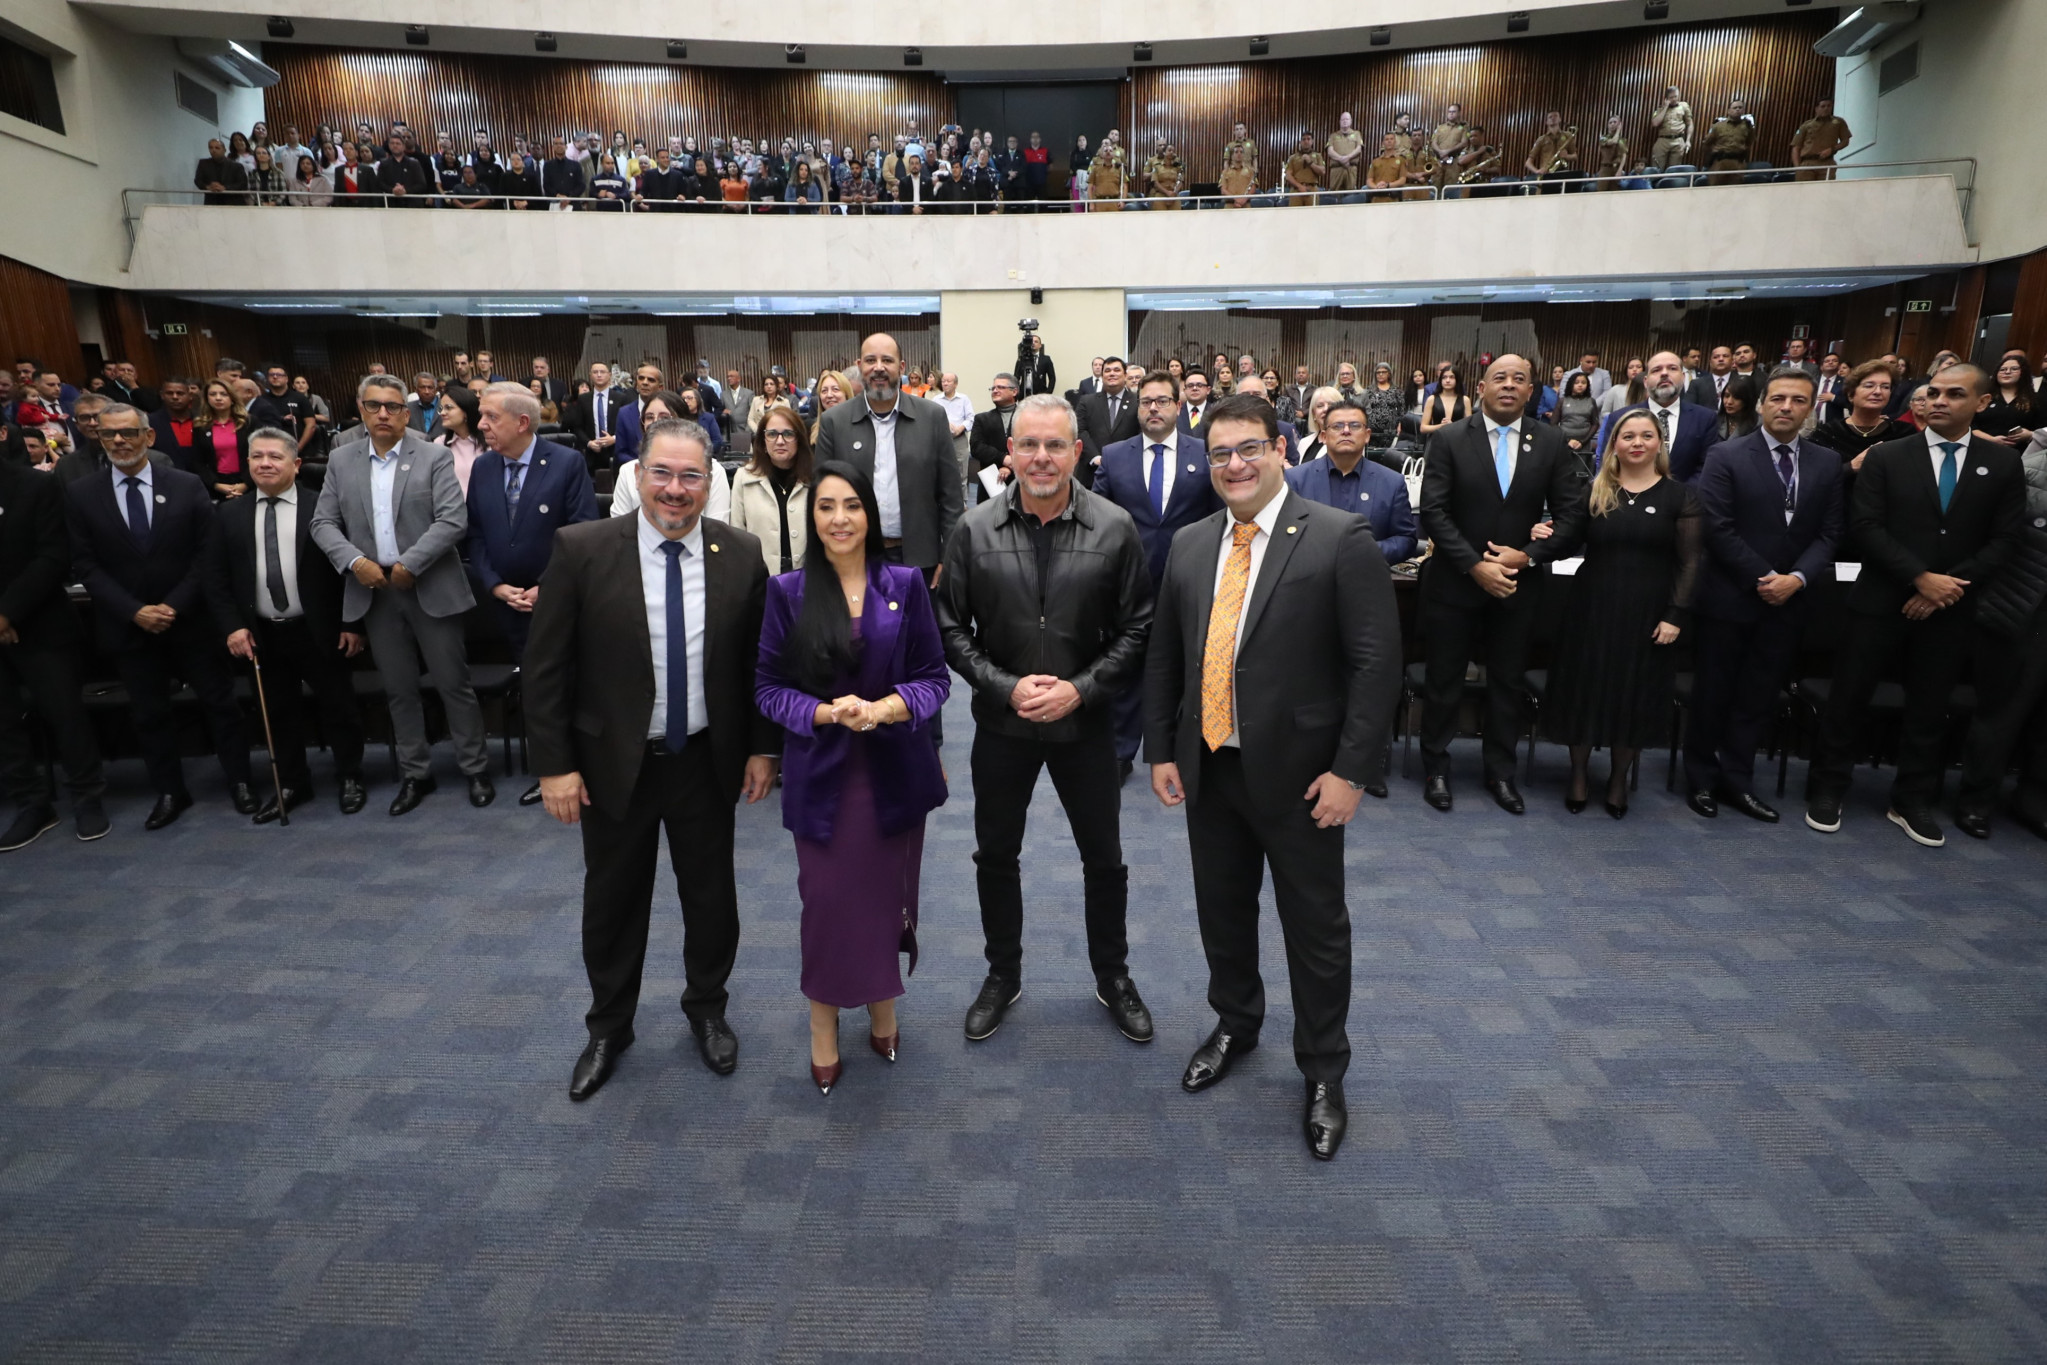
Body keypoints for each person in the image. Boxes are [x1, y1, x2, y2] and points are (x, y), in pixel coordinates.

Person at [1143, 392, 1401, 1160]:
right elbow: (1166, 656)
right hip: (1210, 769)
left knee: (1314, 930)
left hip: (1301, 778)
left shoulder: (1336, 536)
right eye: (1218, 453)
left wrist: (1351, 771)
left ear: (1281, 447)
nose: (1233, 465)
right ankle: (1236, 1021)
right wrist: (1162, 747)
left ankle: (1323, 1068)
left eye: (1248, 448)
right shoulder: (1191, 544)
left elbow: (1374, 664)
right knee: (1222, 912)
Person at [528, 419, 779, 1100]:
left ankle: (707, 1007)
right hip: (612, 764)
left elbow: (758, 663)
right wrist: (554, 764)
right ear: (636, 475)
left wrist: (762, 746)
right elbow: (546, 667)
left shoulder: (741, 552)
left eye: (691, 475)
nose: (675, 489)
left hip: (704, 760)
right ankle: (609, 1025)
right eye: (662, 473)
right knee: (611, 900)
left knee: (711, 897)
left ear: (709, 482)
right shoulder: (582, 549)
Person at [936, 394, 1155, 1046]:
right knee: (995, 854)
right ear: (1008, 452)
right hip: (1001, 728)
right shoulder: (972, 530)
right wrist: (1004, 687)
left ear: (1076, 452)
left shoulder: (1114, 528)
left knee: (1104, 859)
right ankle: (1002, 974)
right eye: (1027, 444)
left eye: (1054, 445)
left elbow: (1138, 627)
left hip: (1085, 727)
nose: (1040, 456)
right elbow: (949, 627)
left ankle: (1111, 976)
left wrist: (1079, 690)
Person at [754, 461, 949, 1093]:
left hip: (894, 775)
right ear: (811, 519)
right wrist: (822, 713)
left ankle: (884, 1005)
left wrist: (887, 708)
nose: (840, 519)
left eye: (852, 506)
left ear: (871, 514)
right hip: (824, 781)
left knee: (886, 900)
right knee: (828, 905)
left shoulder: (906, 584)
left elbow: (934, 678)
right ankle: (822, 1023)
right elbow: (768, 689)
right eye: (826, 507)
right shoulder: (787, 591)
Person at [1806, 365, 2026, 846]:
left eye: (1955, 393)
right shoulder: (1888, 456)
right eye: (1934, 392)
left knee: (1930, 707)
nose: (1940, 400)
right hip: (1881, 598)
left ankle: (1912, 800)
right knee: (1849, 699)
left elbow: (2006, 538)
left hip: (1952, 605)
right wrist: (1920, 578)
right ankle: (1827, 789)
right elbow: (1865, 526)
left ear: (1982, 403)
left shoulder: (2003, 463)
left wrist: (1947, 587)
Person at [311, 374, 494, 816]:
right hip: (374, 591)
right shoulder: (341, 460)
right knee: (399, 689)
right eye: (374, 406)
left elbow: (453, 520)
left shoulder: (433, 455)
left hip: (430, 585)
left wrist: (410, 564)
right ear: (360, 410)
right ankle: (416, 773)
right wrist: (357, 563)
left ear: (406, 413)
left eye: (392, 406)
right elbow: (322, 524)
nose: (383, 414)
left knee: (454, 684)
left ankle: (475, 768)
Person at [66, 404, 255, 829]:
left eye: (128, 433)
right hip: (128, 624)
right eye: (109, 434)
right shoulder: (81, 493)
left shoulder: (187, 486)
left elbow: (207, 555)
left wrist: (174, 605)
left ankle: (241, 781)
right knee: (149, 714)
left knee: (220, 705)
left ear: (148, 437)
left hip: (190, 620)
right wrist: (134, 611)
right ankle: (171, 791)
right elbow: (85, 564)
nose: (118, 441)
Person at [1415, 355, 1586, 814]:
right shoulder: (1451, 438)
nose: (1509, 385)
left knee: (1506, 684)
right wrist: (1476, 566)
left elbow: (1572, 516)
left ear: (1532, 391)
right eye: (1500, 378)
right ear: (1483, 388)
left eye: (1519, 380)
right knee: (1444, 682)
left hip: (1518, 585)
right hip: (1455, 584)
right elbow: (1433, 511)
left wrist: (1527, 557)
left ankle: (1501, 773)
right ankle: (1435, 767)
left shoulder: (1550, 443)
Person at [1522, 410, 1702, 816]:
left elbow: (1690, 563)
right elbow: (1568, 542)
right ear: (1614, 445)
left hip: (1649, 614)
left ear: (1659, 443)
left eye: (1646, 435)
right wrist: (1541, 537)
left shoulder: (1681, 497)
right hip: (1591, 608)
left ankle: (1619, 779)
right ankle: (1579, 774)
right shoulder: (1595, 491)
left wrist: (1675, 614)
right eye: (1628, 436)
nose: (1637, 442)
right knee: (1584, 692)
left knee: (1633, 695)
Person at [1683, 369, 1844, 821]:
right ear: (1761, 404)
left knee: (1757, 697)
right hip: (1730, 597)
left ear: (1810, 407)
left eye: (1797, 400)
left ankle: (1738, 781)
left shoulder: (1826, 462)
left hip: (1790, 601)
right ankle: (1700, 779)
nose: (1786, 407)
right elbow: (1716, 527)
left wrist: (1796, 579)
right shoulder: (1726, 455)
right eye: (1777, 398)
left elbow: (1830, 534)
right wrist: (1766, 575)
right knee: (1713, 693)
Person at [204, 427, 370, 822]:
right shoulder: (228, 514)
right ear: (246, 463)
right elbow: (215, 578)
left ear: (296, 464)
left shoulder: (324, 508)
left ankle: (350, 775)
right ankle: (294, 781)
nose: (265, 463)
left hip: (321, 629)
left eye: (275, 457)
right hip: (262, 633)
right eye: (257, 456)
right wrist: (232, 626)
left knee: (339, 705)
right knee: (278, 712)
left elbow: (348, 571)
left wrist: (353, 623)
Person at [1094, 371, 1220, 770]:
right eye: (1146, 401)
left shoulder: (1204, 453)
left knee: (1187, 668)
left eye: (1162, 401)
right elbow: (1097, 517)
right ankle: (1120, 752)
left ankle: (1181, 750)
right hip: (1128, 583)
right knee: (1127, 671)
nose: (1153, 408)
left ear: (1178, 407)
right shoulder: (1115, 455)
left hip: (1188, 583)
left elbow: (1219, 517)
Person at [467, 382, 599, 744]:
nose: (481, 424)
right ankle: (547, 766)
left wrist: (547, 585)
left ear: (522, 422)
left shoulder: (566, 463)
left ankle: (574, 765)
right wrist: (493, 584)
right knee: (532, 691)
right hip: (506, 603)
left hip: (557, 603)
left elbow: (582, 532)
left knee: (565, 689)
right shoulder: (483, 468)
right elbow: (475, 536)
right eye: (481, 415)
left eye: (491, 416)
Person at [0, 454, 107, 848]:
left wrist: (6, 613)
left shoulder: (35, 485)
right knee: (4, 725)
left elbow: (53, 557)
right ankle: (32, 803)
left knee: (66, 716)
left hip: (41, 623)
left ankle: (88, 797)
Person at [813, 333, 964, 585]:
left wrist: (947, 557)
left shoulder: (932, 417)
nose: (879, 368)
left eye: (887, 360)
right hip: (853, 559)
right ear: (860, 366)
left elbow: (951, 496)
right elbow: (821, 499)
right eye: (871, 360)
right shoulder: (834, 422)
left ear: (901, 367)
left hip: (921, 562)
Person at [1955, 439, 2047, 840]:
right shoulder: (2032, 463)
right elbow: (2002, 531)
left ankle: (2034, 800)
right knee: (2003, 710)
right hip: (2027, 599)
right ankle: (1977, 800)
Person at [1285, 397, 1419, 567]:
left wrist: (1366, 552)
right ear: (1324, 436)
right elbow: (1285, 534)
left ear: (1367, 435)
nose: (1346, 431)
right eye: (1337, 426)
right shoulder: (1296, 479)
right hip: (1310, 581)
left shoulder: (1392, 483)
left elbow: (1406, 539)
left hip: (1367, 581)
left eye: (1355, 426)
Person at [1595, 351, 1719, 482]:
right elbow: (1610, 465)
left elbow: (1707, 468)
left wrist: (1682, 497)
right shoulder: (1620, 418)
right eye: (1656, 370)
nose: (1664, 373)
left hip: (1687, 499)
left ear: (1683, 377)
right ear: (1645, 381)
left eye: (1672, 368)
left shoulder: (1705, 418)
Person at [609, 390, 732, 523]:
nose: (655, 423)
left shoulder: (713, 470)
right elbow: (619, 529)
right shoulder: (628, 471)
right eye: (649, 417)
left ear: (684, 421)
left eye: (665, 417)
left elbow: (717, 528)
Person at [729, 405, 813, 575]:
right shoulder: (744, 477)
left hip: (808, 578)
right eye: (772, 434)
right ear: (763, 440)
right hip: (760, 578)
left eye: (788, 434)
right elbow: (737, 534)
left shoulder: (814, 477)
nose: (780, 441)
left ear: (799, 439)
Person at [1076, 357, 1140, 484]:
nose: (1112, 373)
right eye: (1107, 370)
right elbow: (1079, 430)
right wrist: (1095, 457)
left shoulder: (1138, 402)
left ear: (1125, 375)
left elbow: (1141, 432)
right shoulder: (1086, 401)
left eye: (1117, 370)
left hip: (1127, 470)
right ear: (1102, 375)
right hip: (1091, 473)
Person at [193, 379, 250, 501]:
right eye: (213, 394)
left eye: (223, 394)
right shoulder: (200, 426)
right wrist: (216, 485)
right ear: (207, 399)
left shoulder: (247, 422)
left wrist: (246, 484)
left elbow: (259, 455)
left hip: (247, 483)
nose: (218, 398)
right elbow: (197, 462)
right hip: (217, 486)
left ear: (232, 398)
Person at [967, 372, 1021, 502]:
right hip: (990, 484)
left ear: (1014, 392)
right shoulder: (982, 419)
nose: (995, 391)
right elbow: (976, 447)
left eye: (1000, 387)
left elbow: (1032, 445)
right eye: (993, 388)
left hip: (1021, 484)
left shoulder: (1028, 417)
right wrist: (1003, 458)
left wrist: (1009, 467)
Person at [570, 362, 625, 470]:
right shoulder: (583, 399)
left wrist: (614, 438)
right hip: (592, 453)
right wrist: (589, 443)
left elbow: (627, 425)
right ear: (590, 375)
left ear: (609, 375)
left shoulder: (621, 398)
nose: (599, 375)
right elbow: (577, 427)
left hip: (615, 451)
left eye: (602, 372)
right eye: (595, 372)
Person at [433, 384, 486, 494]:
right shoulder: (440, 443)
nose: (442, 413)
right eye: (441, 408)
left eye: (449, 407)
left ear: (466, 411)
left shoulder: (489, 442)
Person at [1790, 99, 1850, 182]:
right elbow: (1796, 147)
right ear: (1816, 108)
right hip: (1807, 162)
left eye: (1829, 106)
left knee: (1825, 190)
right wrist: (1798, 168)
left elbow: (1845, 141)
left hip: (1827, 162)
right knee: (1805, 190)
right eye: (1823, 106)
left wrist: (1832, 149)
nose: (1826, 108)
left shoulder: (1838, 122)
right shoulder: (1807, 125)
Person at [1700, 99, 1756, 186]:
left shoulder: (1747, 127)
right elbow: (1707, 143)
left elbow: (1749, 143)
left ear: (1743, 110)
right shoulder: (1718, 126)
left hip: (1738, 163)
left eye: (1740, 107)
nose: (1737, 110)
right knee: (1715, 188)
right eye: (1735, 108)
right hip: (1720, 162)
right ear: (1728, 111)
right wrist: (1709, 161)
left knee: (1735, 190)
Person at [1551, 372, 1598, 454]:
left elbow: (1595, 424)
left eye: (1583, 383)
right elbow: (1553, 424)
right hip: (1564, 442)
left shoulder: (1591, 401)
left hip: (1584, 443)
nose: (1580, 385)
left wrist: (1582, 442)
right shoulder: (1562, 401)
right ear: (1571, 384)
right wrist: (1567, 441)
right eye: (1576, 382)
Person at [1648, 85, 1693, 171]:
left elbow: (1690, 124)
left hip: (1678, 140)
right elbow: (1655, 123)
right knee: (1656, 168)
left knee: (1674, 170)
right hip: (1663, 140)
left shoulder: (1684, 106)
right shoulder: (1660, 109)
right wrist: (1665, 107)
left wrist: (1688, 140)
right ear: (1666, 98)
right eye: (1671, 97)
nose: (1674, 99)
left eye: (1675, 96)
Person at [195, 138, 250, 205]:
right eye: (211, 148)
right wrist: (208, 187)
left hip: (233, 202)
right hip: (212, 202)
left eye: (217, 148)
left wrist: (225, 188)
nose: (213, 150)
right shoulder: (203, 163)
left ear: (224, 150)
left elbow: (243, 184)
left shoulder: (236, 166)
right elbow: (198, 180)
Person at [1419, 368, 1471, 437]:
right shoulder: (1432, 399)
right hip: (1436, 440)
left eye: (1452, 377)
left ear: (1457, 380)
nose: (1447, 380)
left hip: (1457, 441)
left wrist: (1453, 426)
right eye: (1444, 377)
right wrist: (1441, 426)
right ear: (1440, 380)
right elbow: (1423, 428)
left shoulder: (1465, 400)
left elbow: (1469, 427)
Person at [1324, 113, 1364, 197]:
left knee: (1350, 195)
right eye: (1343, 119)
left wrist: (1347, 158)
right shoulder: (1333, 135)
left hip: (1351, 168)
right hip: (1336, 168)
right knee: (1334, 194)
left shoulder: (1357, 134)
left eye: (1347, 119)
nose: (1345, 121)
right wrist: (1341, 159)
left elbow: (1358, 149)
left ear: (1351, 121)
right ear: (1339, 122)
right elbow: (1330, 151)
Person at [1716, 374, 1760, 442]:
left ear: (1747, 399)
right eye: (1726, 396)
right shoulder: (1714, 418)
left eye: (1736, 397)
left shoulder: (1759, 424)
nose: (1729, 402)